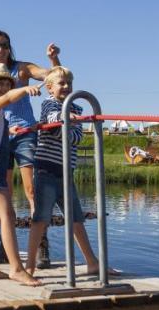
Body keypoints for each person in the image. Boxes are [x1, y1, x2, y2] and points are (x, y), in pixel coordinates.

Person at [0, 30, 61, 266]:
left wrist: (53, 59)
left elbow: (52, 76)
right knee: (4, 196)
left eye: (4, 45)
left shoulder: (21, 69)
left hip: (24, 134)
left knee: (32, 191)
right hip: (0, 139)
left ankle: (41, 247)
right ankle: (5, 247)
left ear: (9, 48)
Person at [25, 67, 105, 275]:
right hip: (46, 170)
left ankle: (92, 262)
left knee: (76, 219)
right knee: (41, 219)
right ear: (50, 88)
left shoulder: (76, 109)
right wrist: (64, 118)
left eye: (69, 83)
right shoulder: (48, 104)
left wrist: (68, 121)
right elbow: (52, 120)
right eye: (61, 83)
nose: (67, 86)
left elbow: (76, 138)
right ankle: (30, 267)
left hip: (66, 173)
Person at [0, 64, 43, 286]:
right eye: (0, 84)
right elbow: (9, 99)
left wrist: (9, 130)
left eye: (6, 84)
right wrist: (24, 90)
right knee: (8, 216)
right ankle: (16, 269)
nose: (4, 87)